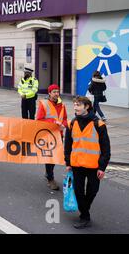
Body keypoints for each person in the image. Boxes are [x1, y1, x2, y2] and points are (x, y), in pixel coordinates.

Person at [64, 96, 111, 229]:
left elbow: (106, 148)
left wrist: (102, 167)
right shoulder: (71, 123)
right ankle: (85, 216)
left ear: (87, 107)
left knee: (92, 191)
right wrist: (68, 163)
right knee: (78, 191)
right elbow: (67, 145)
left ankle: (84, 209)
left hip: (93, 166)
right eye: (74, 105)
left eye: (78, 105)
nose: (75, 108)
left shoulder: (99, 124)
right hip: (77, 164)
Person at [36, 84, 68, 191]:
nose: (56, 94)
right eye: (54, 92)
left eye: (57, 91)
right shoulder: (44, 104)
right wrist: (54, 122)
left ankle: (48, 173)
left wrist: (64, 124)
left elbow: (65, 118)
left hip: (59, 135)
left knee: (55, 157)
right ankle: (50, 179)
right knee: (50, 157)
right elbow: (39, 120)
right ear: (49, 93)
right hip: (48, 135)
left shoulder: (62, 105)